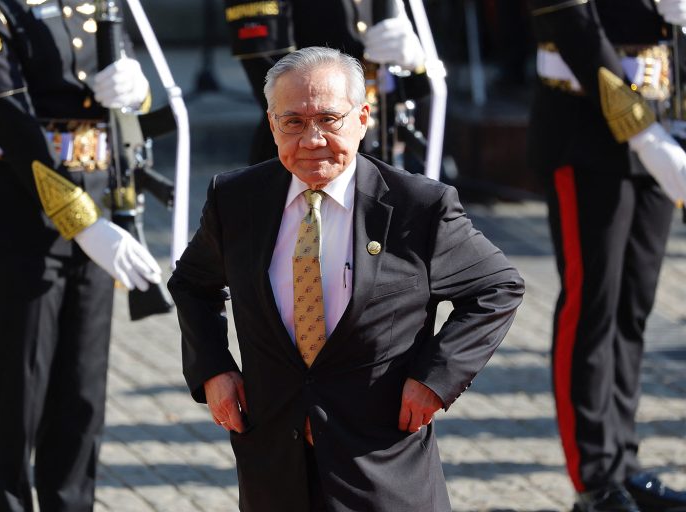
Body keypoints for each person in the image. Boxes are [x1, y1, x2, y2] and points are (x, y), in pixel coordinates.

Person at [168, 46, 524, 512]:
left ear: (362, 117)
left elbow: (497, 288)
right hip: (275, 465)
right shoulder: (236, 199)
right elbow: (192, 284)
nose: (312, 139)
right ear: (272, 124)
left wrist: (436, 378)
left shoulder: (418, 207)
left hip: (380, 463)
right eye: (293, 122)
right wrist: (213, 368)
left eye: (328, 119)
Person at [0, 1, 162, 510]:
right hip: (22, 219)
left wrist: (139, 88)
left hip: (102, 217)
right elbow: (6, 115)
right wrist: (81, 221)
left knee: (81, 400)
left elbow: (119, 105)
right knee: (17, 402)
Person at [528, 1, 686, 511]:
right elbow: (571, 21)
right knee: (594, 304)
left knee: (633, 308)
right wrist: (640, 129)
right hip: (587, 130)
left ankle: (624, 462)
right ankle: (594, 478)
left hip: (663, 125)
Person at [223, 0, 431, 166]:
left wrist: (414, 64)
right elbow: (273, 84)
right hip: (306, 157)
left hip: (379, 151)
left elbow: (419, 91)